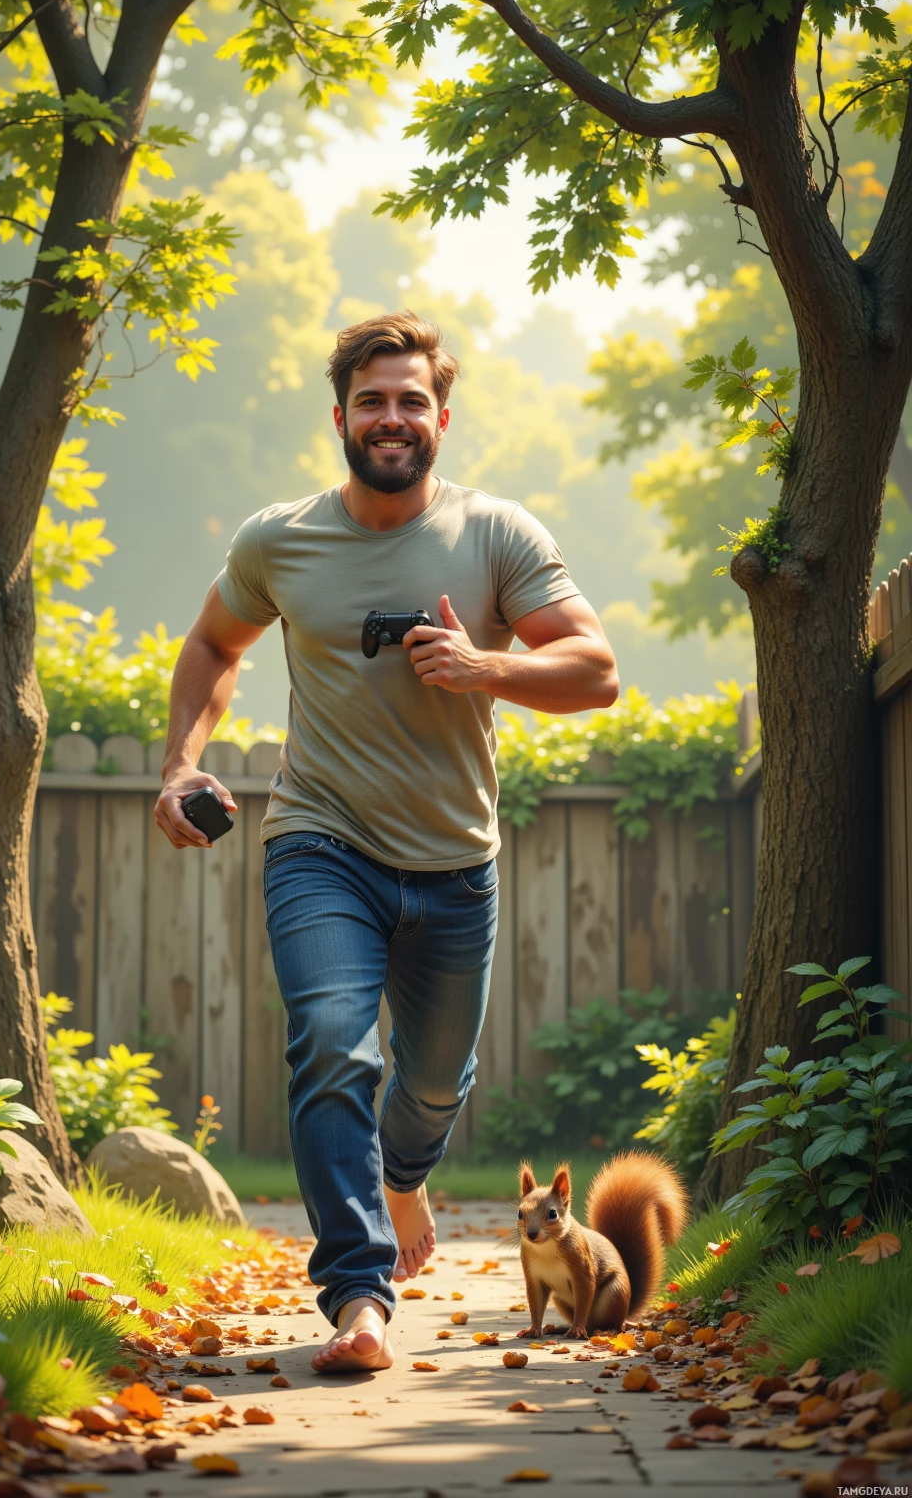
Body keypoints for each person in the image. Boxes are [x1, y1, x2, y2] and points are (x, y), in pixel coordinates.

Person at [155, 311, 619, 1374]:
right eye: (372, 399)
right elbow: (213, 644)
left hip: (456, 866)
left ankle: (403, 1176)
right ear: (341, 417)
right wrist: (184, 761)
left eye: (411, 399)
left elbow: (596, 670)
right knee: (330, 1041)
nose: (392, 417)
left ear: (441, 417)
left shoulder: (496, 534)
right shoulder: (280, 540)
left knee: (433, 1088)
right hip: (321, 841)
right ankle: (358, 1297)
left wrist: (486, 667)